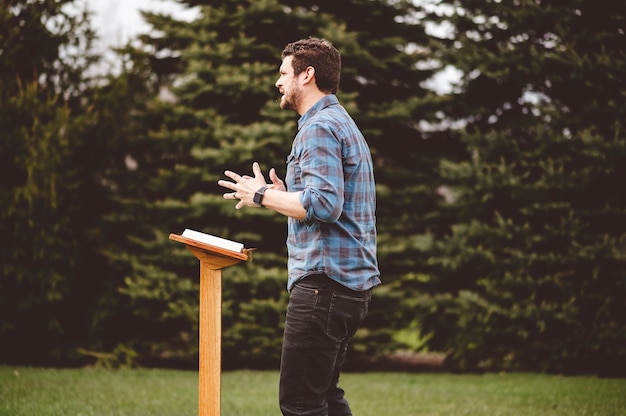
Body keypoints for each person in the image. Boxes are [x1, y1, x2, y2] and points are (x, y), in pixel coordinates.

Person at [218, 37, 380, 416]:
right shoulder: (339, 123)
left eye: (283, 72)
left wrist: (260, 195)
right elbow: (324, 199)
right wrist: (284, 195)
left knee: (301, 404)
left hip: (325, 287)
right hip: (345, 288)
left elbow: (324, 204)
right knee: (325, 397)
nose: (278, 81)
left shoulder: (319, 127)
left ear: (307, 75)